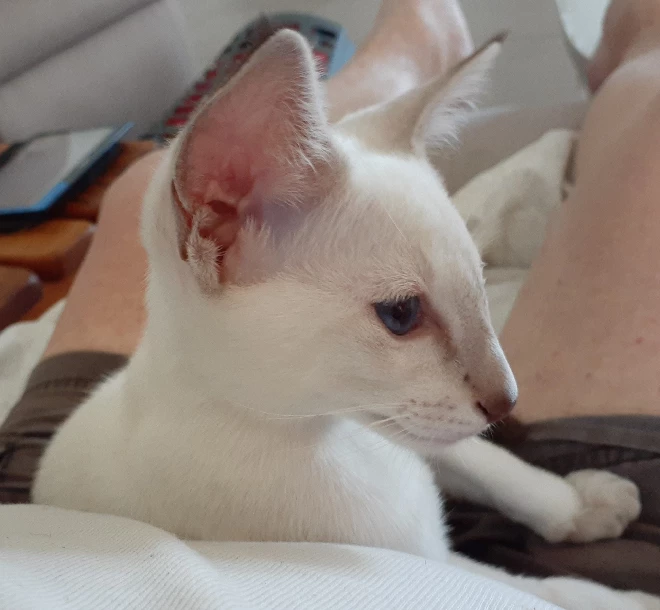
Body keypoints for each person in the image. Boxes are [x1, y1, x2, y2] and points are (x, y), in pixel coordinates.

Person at [2, 0, 659, 595]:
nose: (504, 390)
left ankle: (403, 63)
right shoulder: (284, 522)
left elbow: (404, 429)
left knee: (145, 180)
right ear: (221, 233)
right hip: (96, 515)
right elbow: (436, 576)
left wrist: (548, 502)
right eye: (402, 313)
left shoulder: (280, 388)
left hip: (41, 504)